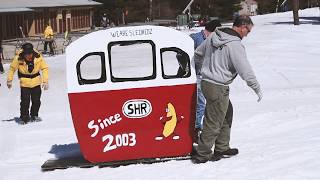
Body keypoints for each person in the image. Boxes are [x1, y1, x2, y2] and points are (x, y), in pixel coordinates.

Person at [192, 15, 263, 163]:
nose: (247, 34)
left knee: (226, 113)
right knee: (214, 120)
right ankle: (203, 154)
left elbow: (198, 53)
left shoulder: (214, 36)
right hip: (218, 86)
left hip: (207, 83)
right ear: (242, 27)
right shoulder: (234, 45)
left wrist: (199, 69)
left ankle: (222, 147)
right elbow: (245, 70)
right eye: (248, 31)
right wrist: (256, 88)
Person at [189, 20, 221, 143]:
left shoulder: (212, 40)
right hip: (195, 75)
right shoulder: (195, 38)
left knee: (203, 103)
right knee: (199, 103)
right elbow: (181, 55)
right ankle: (195, 129)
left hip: (205, 76)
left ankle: (198, 128)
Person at [7, 43, 49, 124]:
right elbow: (12, 68)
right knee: (25, 102)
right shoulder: (19, 58)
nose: (28, 56)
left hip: (36, 82)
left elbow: (45, 68)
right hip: (25, 83)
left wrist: (45, 81)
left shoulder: (38, 57)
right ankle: (24, 118)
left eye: (30, 53)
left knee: (36, 101)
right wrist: (9, 80)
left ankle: (34, 115)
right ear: (24, 53)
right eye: (26, 54)